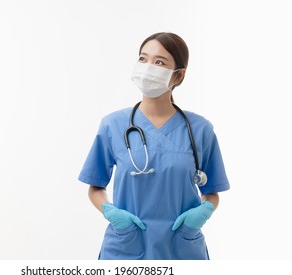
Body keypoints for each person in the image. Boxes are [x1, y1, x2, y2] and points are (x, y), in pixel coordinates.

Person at [78, 32, 230, 260]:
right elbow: (95, 186)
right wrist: (110, 212)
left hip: (182, 248)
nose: (148, 68)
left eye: (159, 62)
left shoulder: (200, 129)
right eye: (143, 59)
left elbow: (212, 192)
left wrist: (203, 212)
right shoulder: (113, 125)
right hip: (126, 248)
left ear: (178, 76)